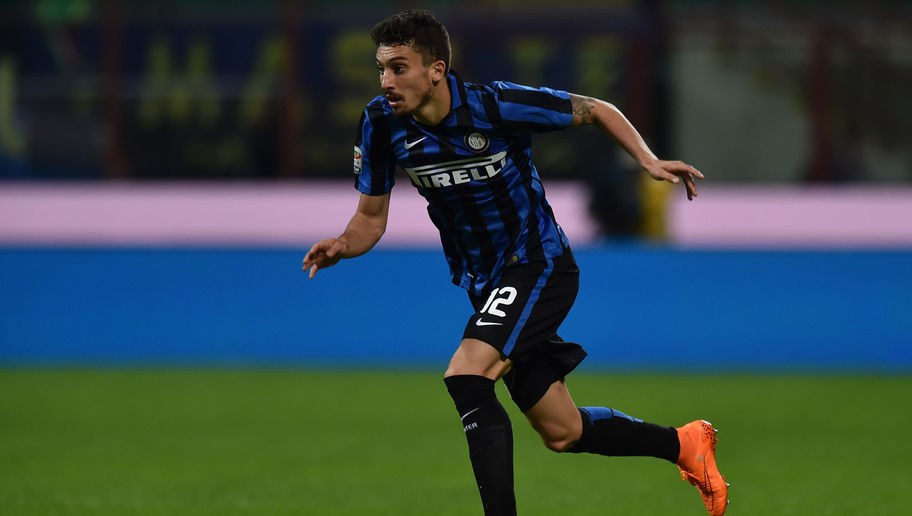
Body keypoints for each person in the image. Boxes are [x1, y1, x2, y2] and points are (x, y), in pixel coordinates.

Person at [302, 9, 728, 516]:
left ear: (436, 70)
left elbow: (596, 109)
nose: (386, 82)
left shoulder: (495, 105)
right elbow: (370, 219)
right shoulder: (379, 122)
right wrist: (343, 244)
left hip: (539, 265)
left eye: (398, 68)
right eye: (381, 69)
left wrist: (647, 160)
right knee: (563, 431)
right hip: (485, 284)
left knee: (467, 375)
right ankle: (684, 444)